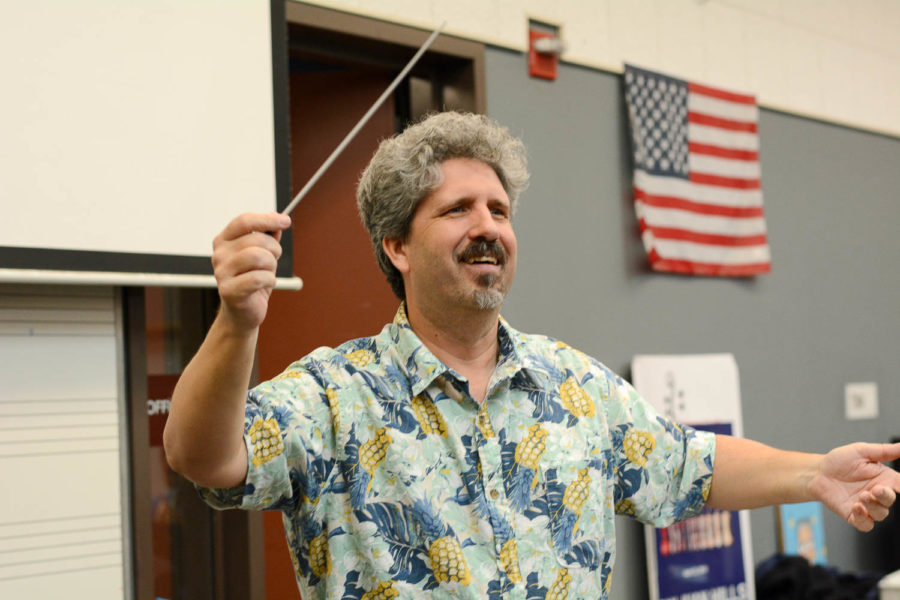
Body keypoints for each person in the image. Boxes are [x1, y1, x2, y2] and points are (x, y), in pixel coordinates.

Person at [164, 111, 900, 599]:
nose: (487, 227)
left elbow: (688, 465)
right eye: (457, 210)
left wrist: (816, 473)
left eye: (500, 211)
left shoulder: (573, 384)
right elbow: (206, 457)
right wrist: (236, 321)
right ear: (397, 247)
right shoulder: (334, 393)